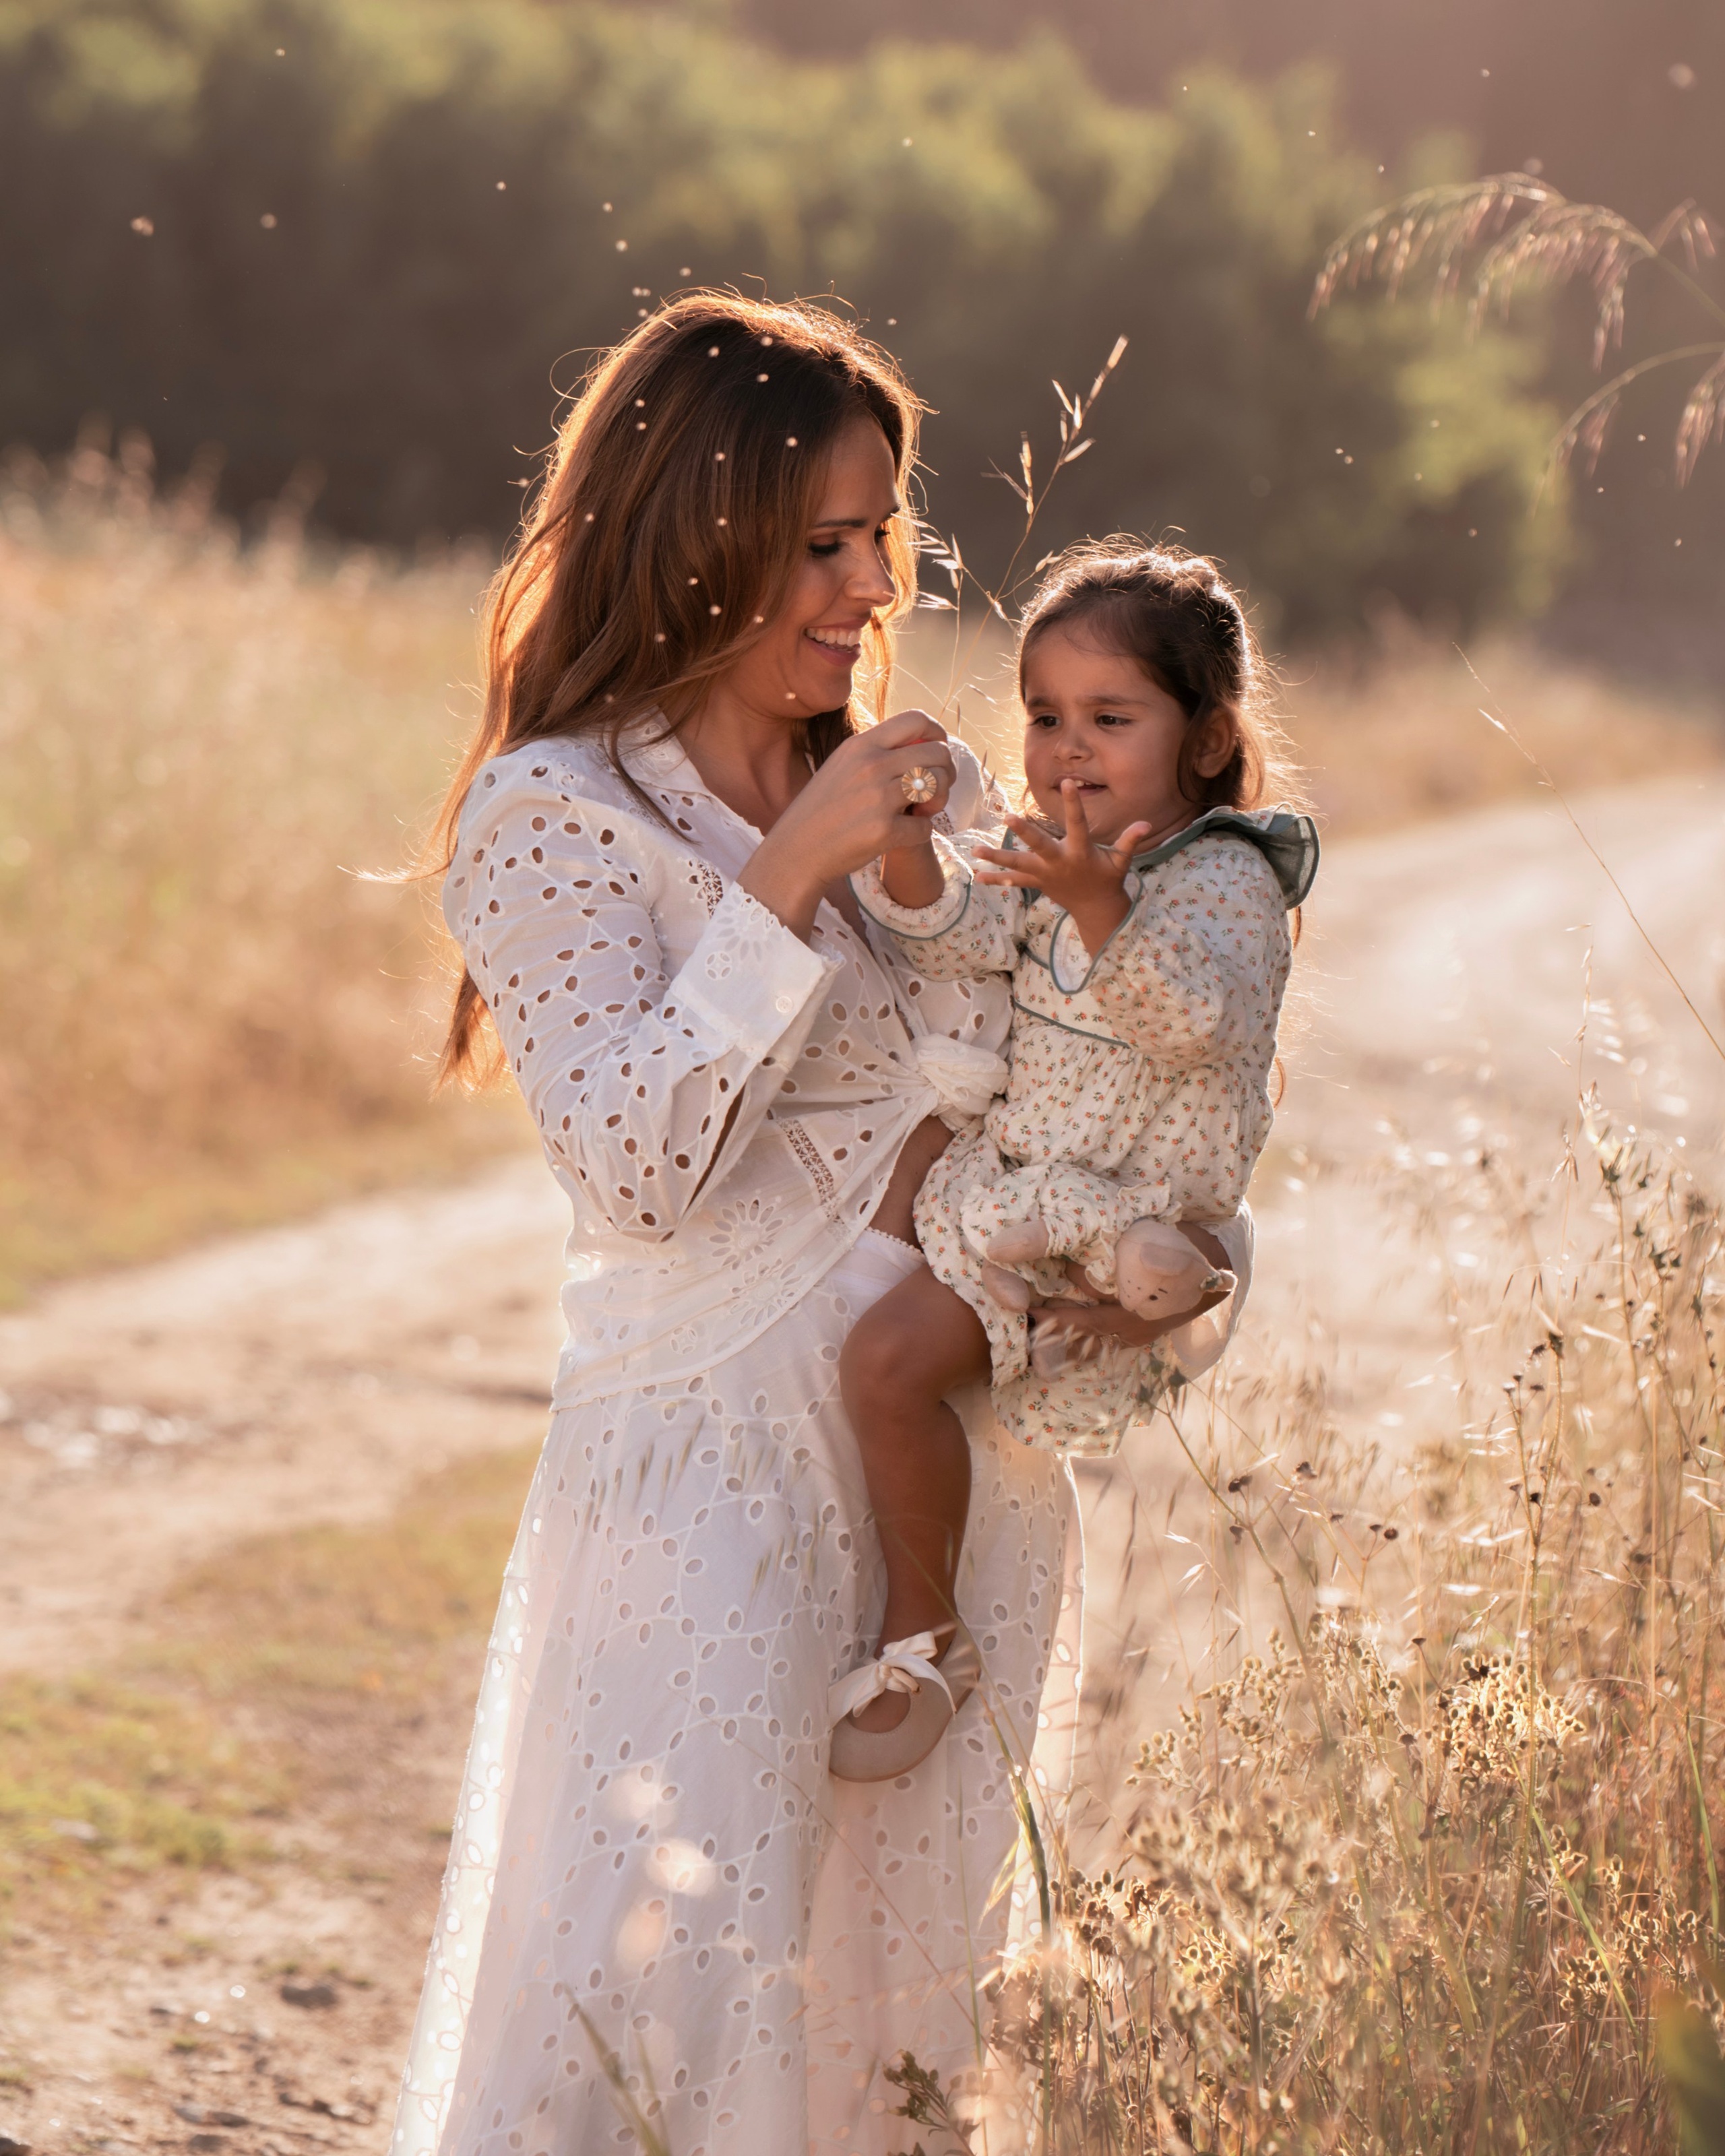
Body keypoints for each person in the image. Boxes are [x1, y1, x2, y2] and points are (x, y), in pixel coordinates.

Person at [389, 296, 1244, 2156]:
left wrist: (1161, 1261)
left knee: (882, 2027)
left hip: (944, 1489)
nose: (874, 588)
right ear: (694, 530)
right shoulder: (557, 815)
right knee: (665, 1997)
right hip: (702, 1487)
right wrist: (787, 876)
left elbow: (1071, 1081)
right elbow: (634, 1169)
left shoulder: (929, 803)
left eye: (886, 537)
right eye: (824, 544)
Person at [831, 542, 1315, 1781]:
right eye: (1046, 716)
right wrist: (908, 848)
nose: (1067, 749)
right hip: (1021, 1202)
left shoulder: (1226, 883)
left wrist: (1103, 904)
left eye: (1111, 717)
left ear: (1204, 741)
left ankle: (922, 1637)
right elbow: (960, 942)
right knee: (887, 1365)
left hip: (1129, 1207)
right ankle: (928, 1627)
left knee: (901, 1355)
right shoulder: (1056, 851)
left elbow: (1197, 1022)